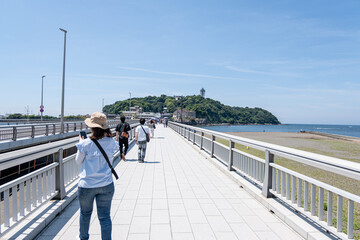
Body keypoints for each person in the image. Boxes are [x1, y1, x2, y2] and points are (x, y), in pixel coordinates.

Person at [75, 112, 118, 240]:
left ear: (92, 128)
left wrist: (80, 143)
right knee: (105, 216)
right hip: (106, 184)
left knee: (85, 213)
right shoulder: (111, 142)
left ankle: (83, 237)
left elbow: (78, 161)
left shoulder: (85, 144)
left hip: (87, 185)